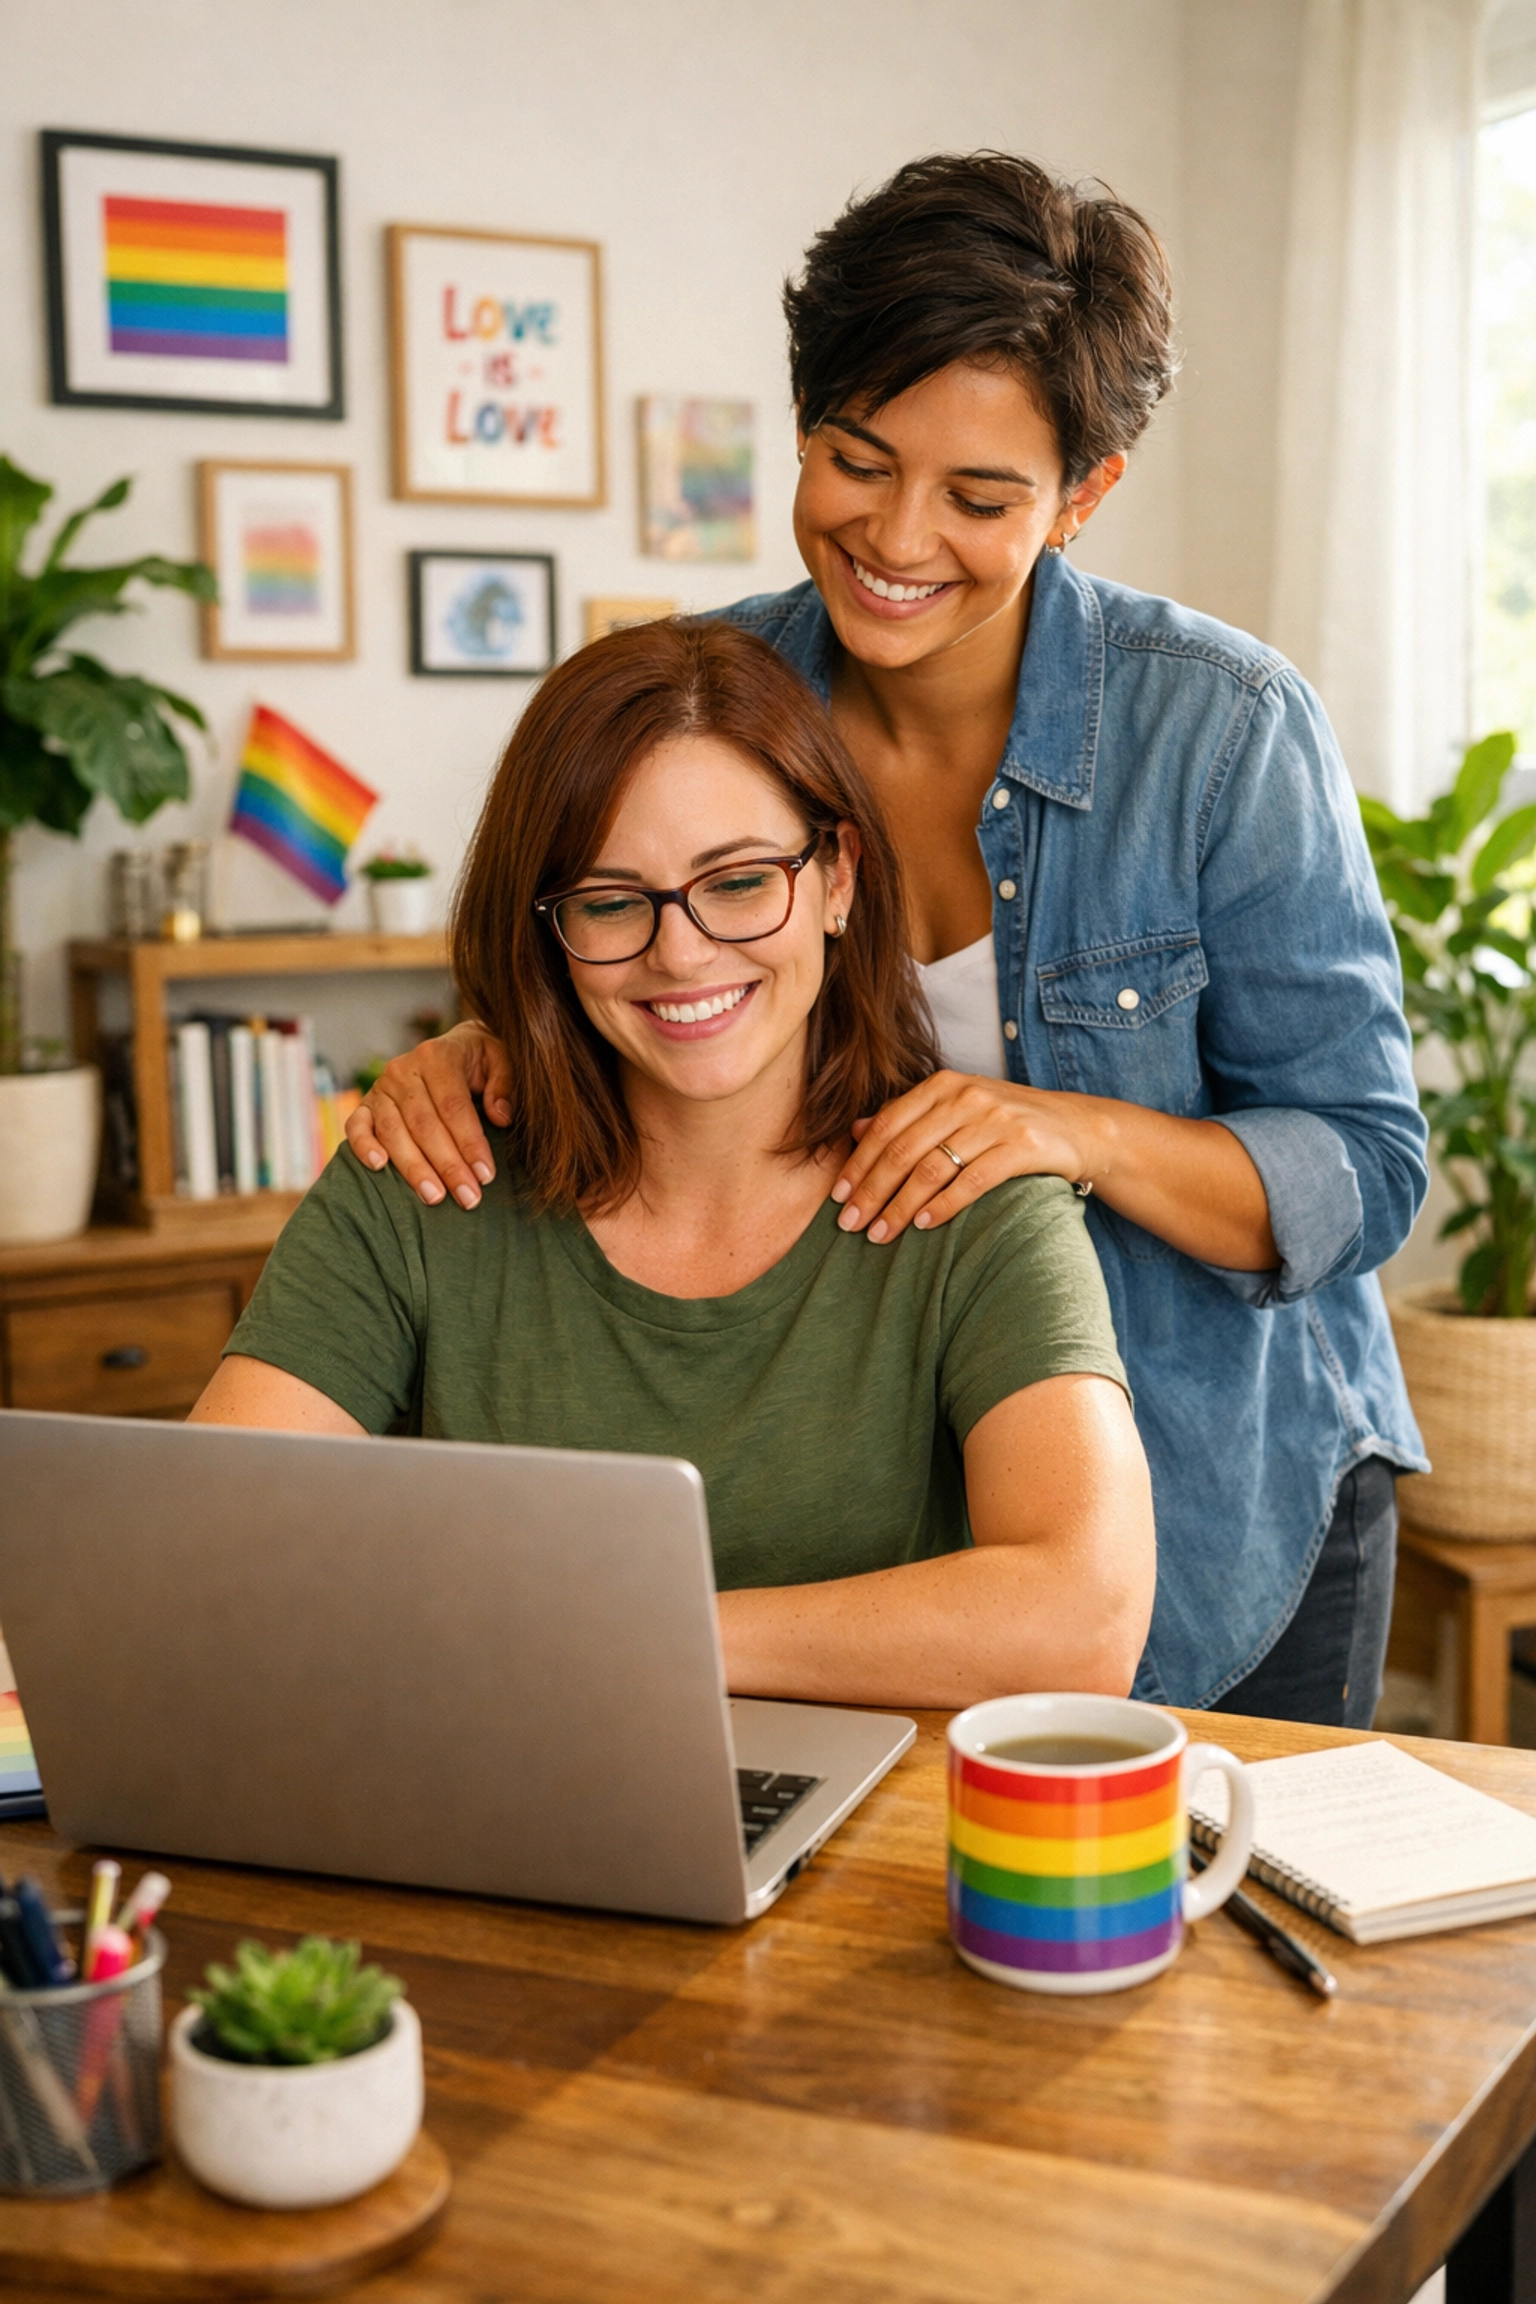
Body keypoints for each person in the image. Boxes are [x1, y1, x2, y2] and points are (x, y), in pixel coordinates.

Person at [348, 153, 1429, 1728]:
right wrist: (483, 1046)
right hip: (894, 1534)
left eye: (981, 498)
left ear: (1084, 494)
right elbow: (620, 978)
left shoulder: (1222, 731)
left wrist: (1071, 1134)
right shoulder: (720, 701)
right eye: (858, 459)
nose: (896, 537)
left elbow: (1364, 1166)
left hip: (1224, 1501)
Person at [192, 620, 1154, 1710]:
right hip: (490, 1807)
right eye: (610, 902)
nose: (681, 952)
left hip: (857, 1844)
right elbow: (212, 1546)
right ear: (547, 930)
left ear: (837, 877)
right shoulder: (422, 1169)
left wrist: (618, 1632)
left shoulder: (972, 1196)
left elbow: (1087, 1619)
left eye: (739, 882)